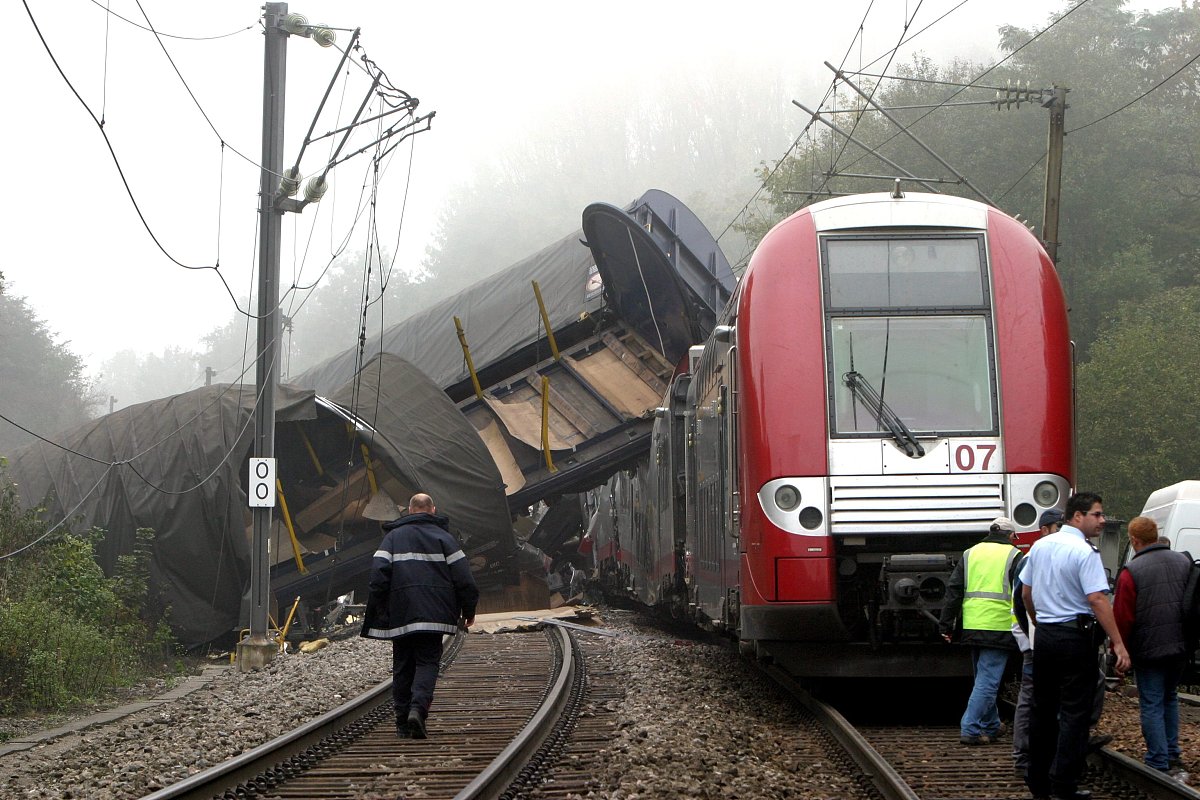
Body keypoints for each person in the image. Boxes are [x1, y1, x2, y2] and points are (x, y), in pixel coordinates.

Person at [1019, 492, 1131, 800]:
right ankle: (1063, 785)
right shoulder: (1085, 552)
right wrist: (1118, 643)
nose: (1102, 520)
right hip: (1074, 638)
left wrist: (1038, 622)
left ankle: (1037, 782)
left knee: (1042, 711)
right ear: (1077, 516)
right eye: (1097, 514)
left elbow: (1026, 593)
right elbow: (1097, 599)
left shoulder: (1039, 546)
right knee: (1074, 713)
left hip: (1046, 637)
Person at [361, 493, 479, 739]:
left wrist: (381, 608)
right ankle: (418, 709)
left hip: (401, 613)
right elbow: (465, 579)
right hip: (435, 613)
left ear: (409, 510)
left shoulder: (392, 538)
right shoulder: (445, 538)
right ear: (432, 510)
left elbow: (377, 577)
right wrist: (468, 611)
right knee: (427, 663)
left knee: (402, 665)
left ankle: (402, 722)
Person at [1113, 515, 1191, 780]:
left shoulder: (1132, 572)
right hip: (1180, 646)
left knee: (1152, 702)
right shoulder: (1184, 562)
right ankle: (1172, 754)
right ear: (1155, 535)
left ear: (1135, 540)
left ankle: (1158, 761)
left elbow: (1123, 616)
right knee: (1170, 697)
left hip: (1148, 648)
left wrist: (1119, 650)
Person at [939, 517, 1024, 745]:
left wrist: (946, 624)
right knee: (988, 682)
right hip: (998, 625)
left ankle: (992, 725)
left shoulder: (970, 553)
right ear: (1010, 536)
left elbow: (954, 590)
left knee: (982, 679)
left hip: (972, 625)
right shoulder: (1014, 556)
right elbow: (1021, 595)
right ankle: (970, 728)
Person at [1011, 508, 1064, 772]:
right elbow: (1021, 601)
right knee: (1031, 695)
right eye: (1057, 526)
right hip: (1036, 640)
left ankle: (1051, 750)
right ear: (1044, 530)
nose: (1061, 532)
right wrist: (1034, 631)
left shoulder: (1055, 555)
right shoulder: (1030, 558)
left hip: (1047, 638)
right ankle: (1024, 754)